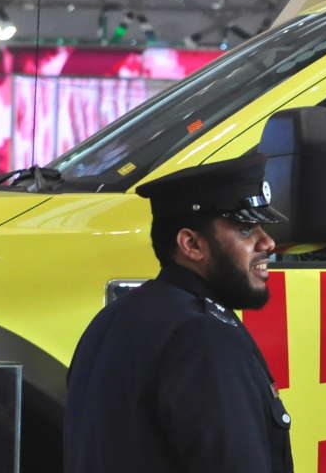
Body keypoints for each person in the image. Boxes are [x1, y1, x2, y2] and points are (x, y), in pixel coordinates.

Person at [65, 152, 292, 473]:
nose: (267, 242)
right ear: (191, 244)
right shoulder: (201, 336)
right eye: (245, 229)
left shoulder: (115, 319)